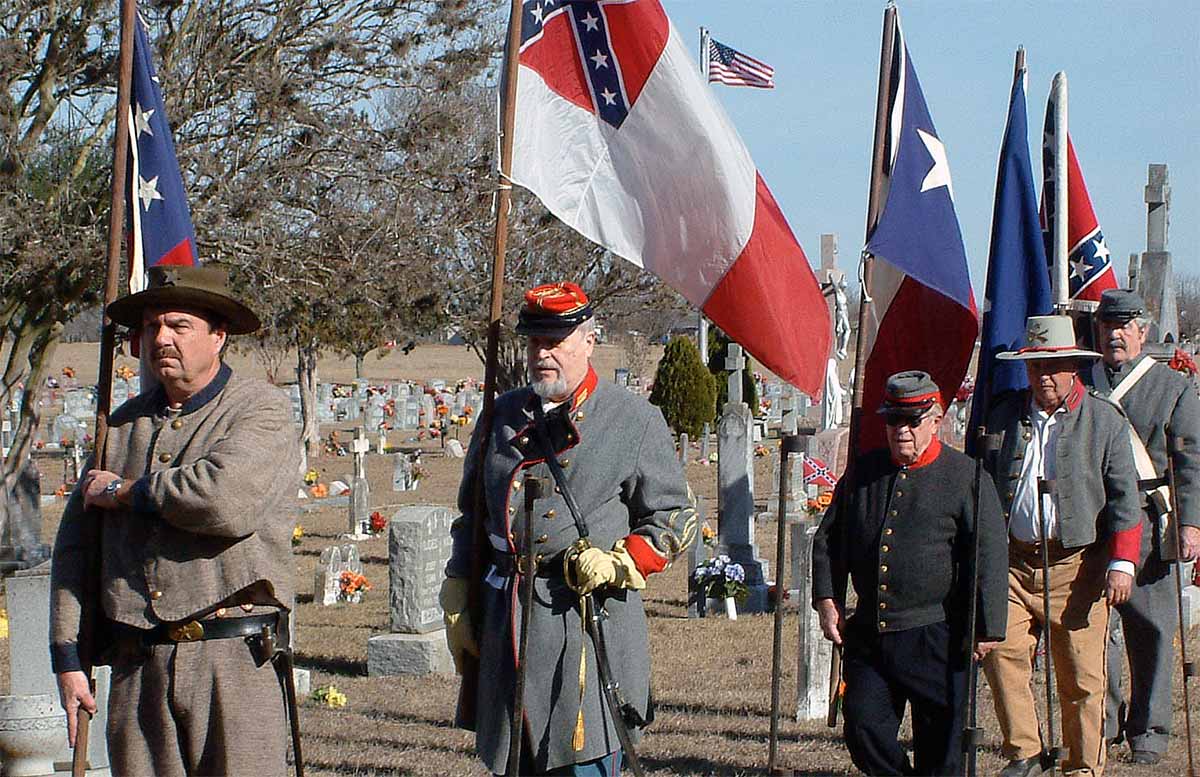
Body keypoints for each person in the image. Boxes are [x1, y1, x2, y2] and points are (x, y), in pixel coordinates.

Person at [50, 265, 300, 776]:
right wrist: (68, 658)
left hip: (231, 660)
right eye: (150, 327)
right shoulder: (118, 428)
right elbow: (77, 550)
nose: (160, 338)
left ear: (219, 336)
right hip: (136, 667)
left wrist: (125, 492)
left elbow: (224, 500)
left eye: (178, 325)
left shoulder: (259, 411)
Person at [440, 282, 696, 776]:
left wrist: (621, 561)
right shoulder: (502, 414)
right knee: (514, 759)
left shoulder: (634, 419)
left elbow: (674, 518)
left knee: (582, 760)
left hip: (583, 623)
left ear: (588, 341)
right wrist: (458, 584)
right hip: (507, 620)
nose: (542, 354)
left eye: (555, 341)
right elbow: (473, 513)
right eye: (535, 342)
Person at [812, 370, 1009, 776]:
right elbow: (830, 539)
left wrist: (987, 627)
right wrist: (827, 600)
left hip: (937, 633)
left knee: (941, 750)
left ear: (936, 420)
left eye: (912, 420)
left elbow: (988, 553)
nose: (901, 430)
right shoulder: (863, 474)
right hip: (870, 631)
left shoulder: (965, 477)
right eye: (893, 420)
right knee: (864, 728)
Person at [982, 314, 1142, 777]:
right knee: (1003, 657)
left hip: (1078, 566)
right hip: (1013, 563)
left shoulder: (1103, 419)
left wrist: (1123, 563)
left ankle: (1081, 765)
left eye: (1054, 366)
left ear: (1074, 366)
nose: (1044, 377)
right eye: (1035, 367)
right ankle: (1026, 753)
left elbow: (1124, 497)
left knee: (1082, 678)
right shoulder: (1004, 414)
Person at [1085, 289, 1200, 765]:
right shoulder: (1083, 382)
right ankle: (1104, 723)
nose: (1116, 334)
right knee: (1094, 630)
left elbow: (1191, 460)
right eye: (1108, 325)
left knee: (1151, 629)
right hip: (1094, 521)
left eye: (1125, 325)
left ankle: (1150, 732)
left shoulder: (1172, 387)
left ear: (1142, 332)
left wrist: (1191, 524)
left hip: (1152, 520)